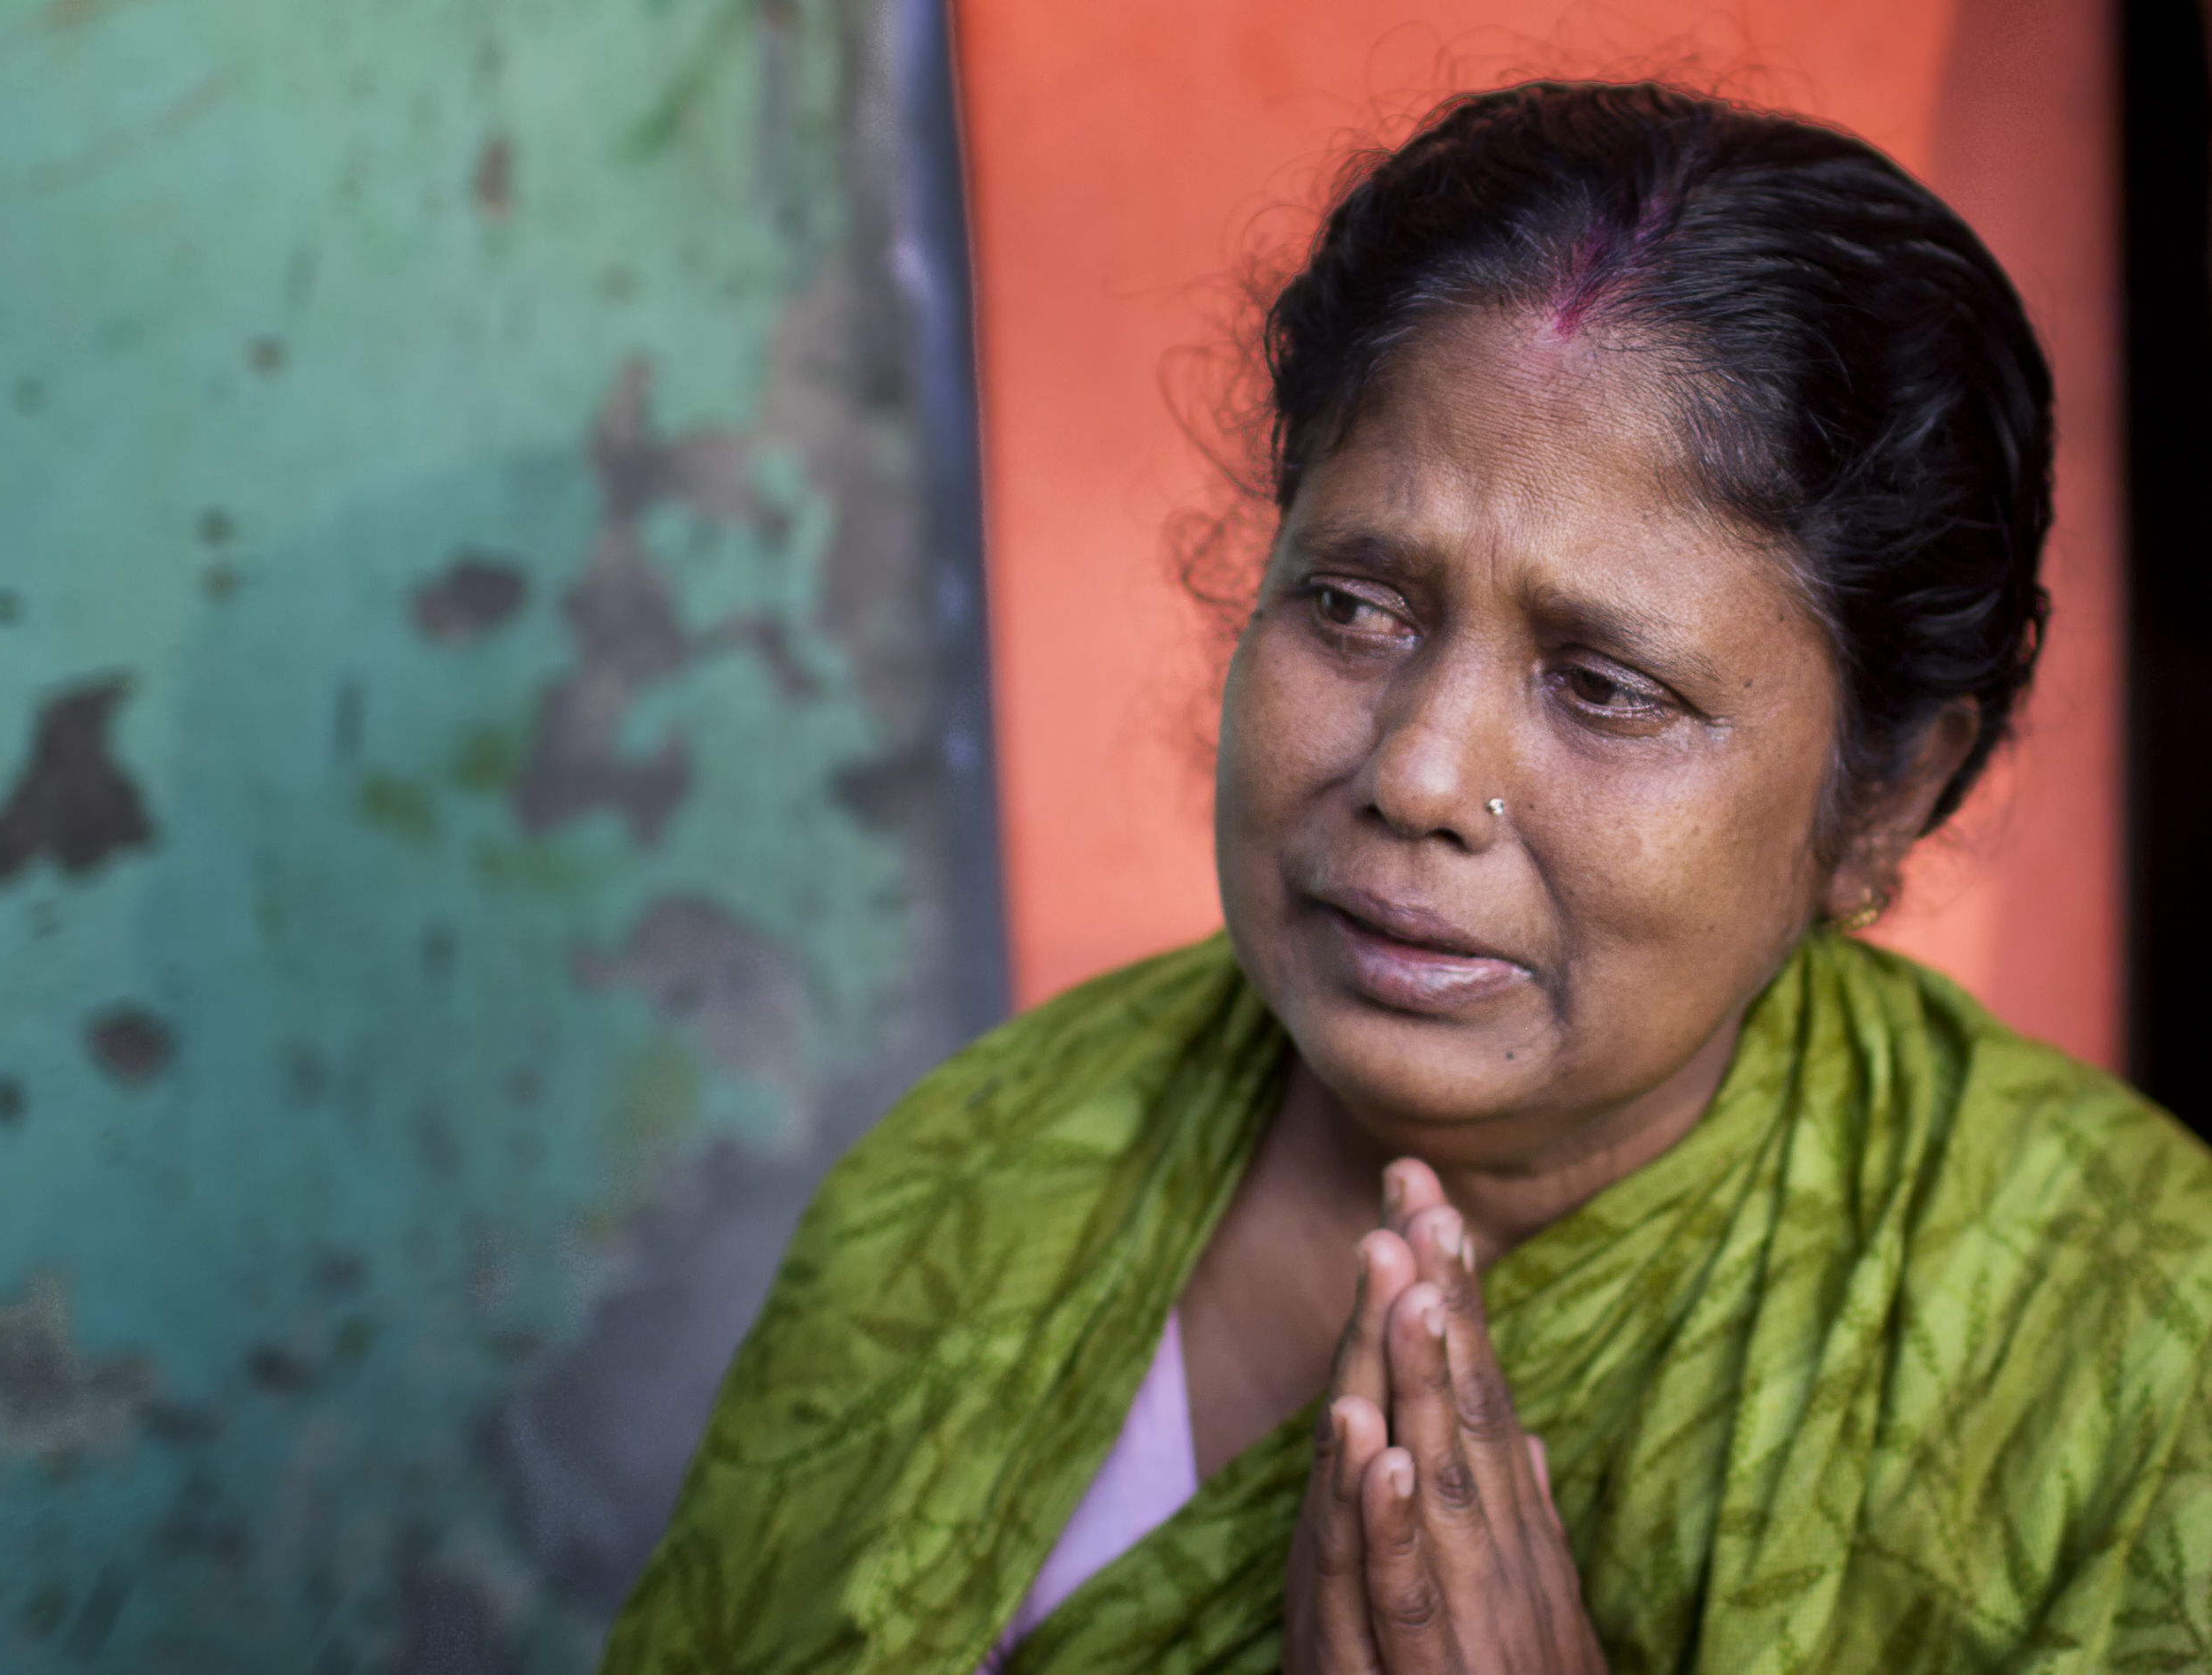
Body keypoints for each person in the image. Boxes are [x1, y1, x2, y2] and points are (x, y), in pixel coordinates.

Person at [599, 82, 2212, 1673]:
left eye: (1607, 685)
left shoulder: (2127, 1359)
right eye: (1358, 606)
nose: (1419, 775)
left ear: (1885, 793)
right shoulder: (968, 1186)